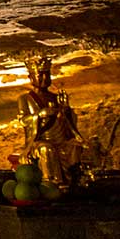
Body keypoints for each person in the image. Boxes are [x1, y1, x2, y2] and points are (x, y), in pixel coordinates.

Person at [18, 56, 84, 185]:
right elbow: (23, 120)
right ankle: (52, 183)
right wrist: (39, 115)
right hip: (39, 140)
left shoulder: (55, 97)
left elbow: (68, 121)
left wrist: (66, 109)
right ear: (31, 78)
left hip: (60, 139)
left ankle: (75, 182)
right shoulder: (25, 98)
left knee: (75, 146)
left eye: (46, 75)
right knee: (46, 149)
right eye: (40, 75)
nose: (44, 79)